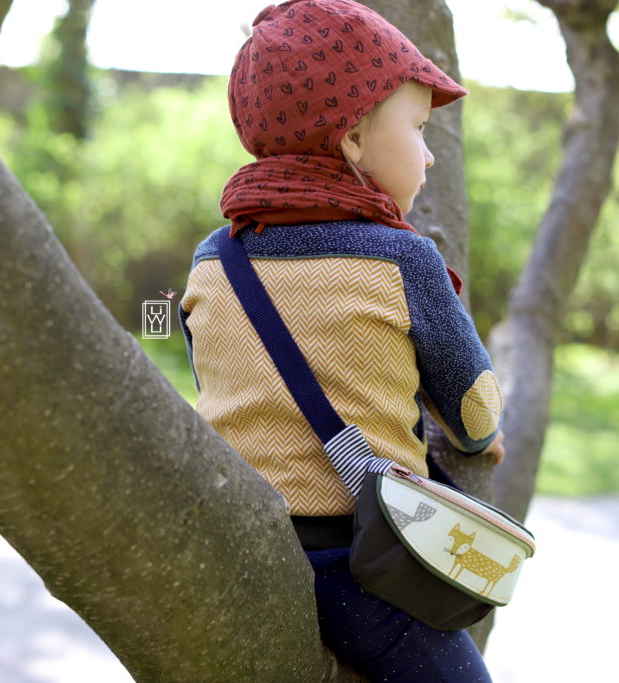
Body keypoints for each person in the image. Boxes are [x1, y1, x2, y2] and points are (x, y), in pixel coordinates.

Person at [179, 1, 505, 680]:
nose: (431, 151)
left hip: (231, 543)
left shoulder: (214, 259)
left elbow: (214, 371)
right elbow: (474, 415)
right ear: (353, 139)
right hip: (361, 561)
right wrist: (476, 435)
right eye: (417, 128)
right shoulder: (403, 260)